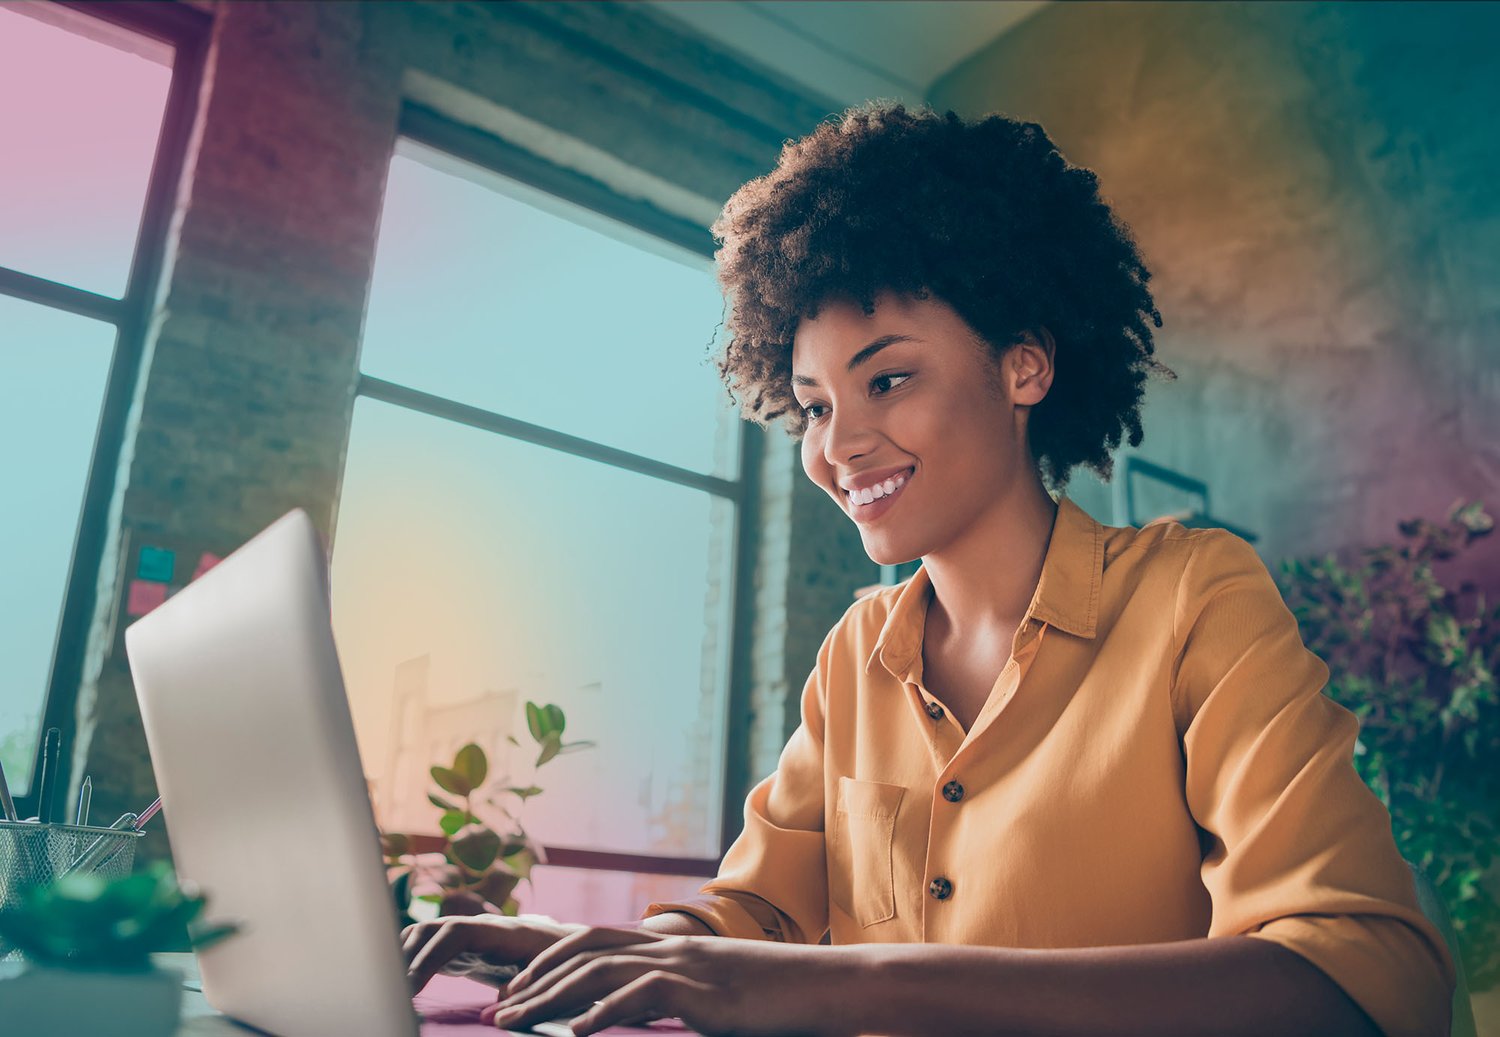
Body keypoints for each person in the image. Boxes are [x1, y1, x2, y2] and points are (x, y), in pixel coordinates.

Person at [402, 102, 1456, 1037]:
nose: (839, 444)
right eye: (815, 404)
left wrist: (866, 986)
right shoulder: (856, 654)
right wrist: (578, 948)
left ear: (1024, 365)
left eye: (888, 378)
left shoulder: (1193, 596)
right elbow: (751, 914)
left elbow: (1361, 978)